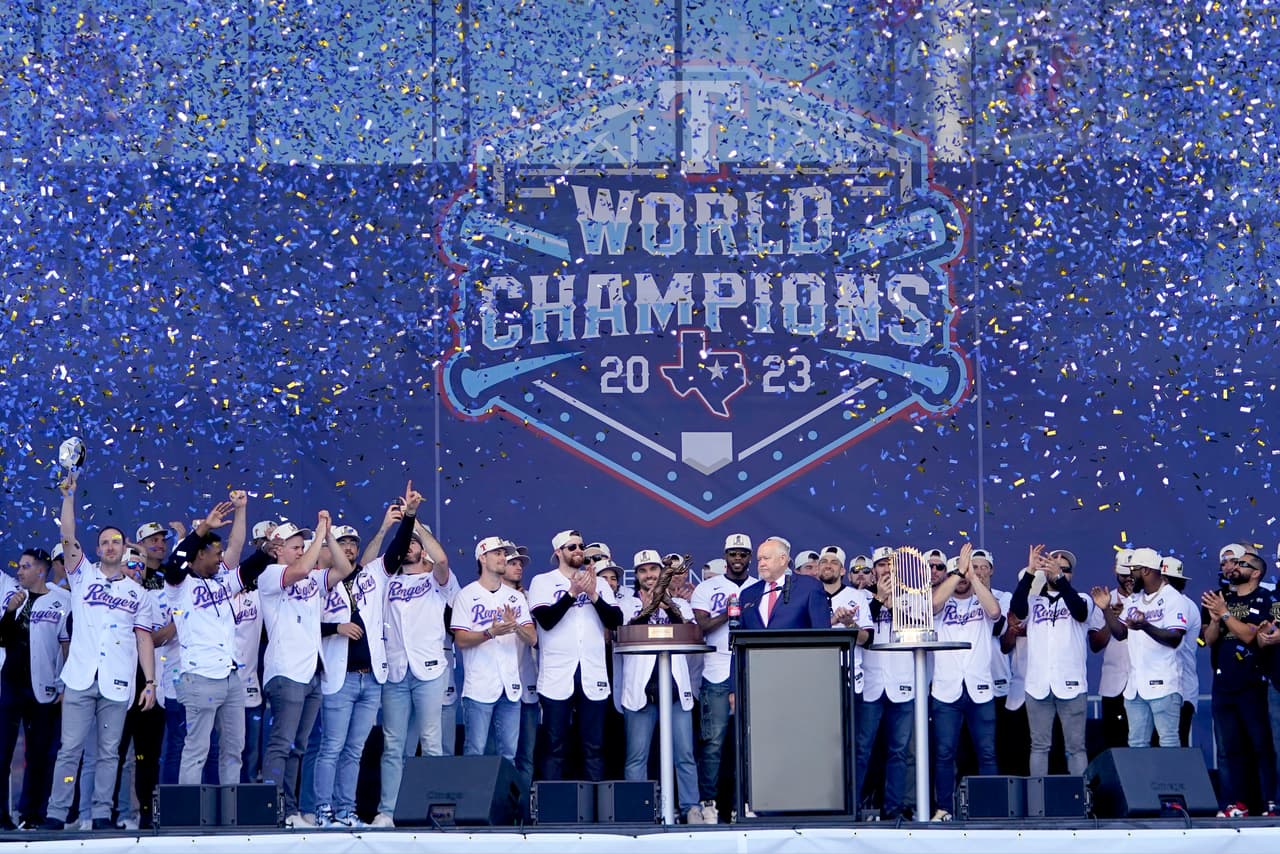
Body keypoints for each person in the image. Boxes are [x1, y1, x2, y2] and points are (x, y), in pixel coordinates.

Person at [43, 473, 158, 831]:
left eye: (116, 543)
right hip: (80, 677)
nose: (110, 547)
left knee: (110, 752)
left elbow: (144, 639)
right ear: (96, 550)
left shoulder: (138, 594)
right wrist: (69, 497)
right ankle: (57, 813)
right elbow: (68, 535)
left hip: (117, 681)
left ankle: (102, 813)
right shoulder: (82, 576)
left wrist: (150, 682)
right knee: (70, 750)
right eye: (105, 542)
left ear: (125, 550)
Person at [259, 508, 356, 828]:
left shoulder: (313, 578)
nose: (302, 551)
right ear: (278, 549)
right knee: (281, 743)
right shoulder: (270, 574)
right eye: (295, 546)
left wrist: (328, 536)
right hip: (286, 669)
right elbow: (299, 569)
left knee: (298, 747)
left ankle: (291, 809)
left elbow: (344, 568)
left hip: (312, 669)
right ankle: (274, 810)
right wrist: (317, 536)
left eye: (303, 546)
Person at [375, 485, 456, 828]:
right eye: (404, 542)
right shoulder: (386, 580)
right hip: (395, 671)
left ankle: (436, 811)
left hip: (430, 670)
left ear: (423, 550)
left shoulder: (437, 581)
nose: (408, 546)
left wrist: (415, 522)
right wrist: (388, 529)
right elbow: (364, 566)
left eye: (414, 543)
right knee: (394, 745)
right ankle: (389, 811)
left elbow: (443, 561)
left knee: (431, 742)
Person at [165, 494, 250, 786]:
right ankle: (189, 810)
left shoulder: (222, 581)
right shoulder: (178, 584)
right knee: (197, 750)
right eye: (216, 553)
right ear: (200, 554)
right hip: (199, 676)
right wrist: (202, 529)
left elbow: (240, 551)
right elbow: (176, 563)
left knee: (234, 749)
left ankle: (231, 807)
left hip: (230, 676)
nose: (221, 558)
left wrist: (242, 512)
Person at [529, 529, 623, 782]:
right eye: (572, 547)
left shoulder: (599, 583)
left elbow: (616, 621)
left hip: (592, 671)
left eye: (581, 546)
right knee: (554, 745)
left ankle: (595, 803)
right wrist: (572, 593)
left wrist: (593, 594)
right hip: (558, 673)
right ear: (558, 552)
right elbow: (546, 620)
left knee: (594, 745)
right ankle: (553, 803)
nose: (579, 551)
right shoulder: (542, 581)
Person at [617, 549, 700, 822]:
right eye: (643, 571)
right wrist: (648, 608)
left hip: (675, 690)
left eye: (654, 569)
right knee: (636, 757)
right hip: (641, 690)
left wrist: (668, 607)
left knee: (684, 754)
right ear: (636, 576)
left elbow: (691, 634)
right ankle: (637, 810)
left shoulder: (680, 604)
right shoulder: (626, 604)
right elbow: (623, 633)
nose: (649, 575)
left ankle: (691, 808)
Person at [1011, 546, 1107, 778]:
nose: (1060, 571)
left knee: (1076, 748)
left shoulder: (1082, 599)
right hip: (1037, 685)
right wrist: (1031, 571)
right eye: (1055, 567)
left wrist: (1060, 579)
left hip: (1071, 685)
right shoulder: (1033, 601)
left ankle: (1080, 798)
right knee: (1039, 746)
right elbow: (1017, 610)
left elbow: (1080, 613)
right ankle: (1038, 799)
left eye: (1065, 569)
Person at [689, 533, 758, 824]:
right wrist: (730, 612)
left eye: (743, 554)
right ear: (725, 556)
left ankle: (749, 801)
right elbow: (701, 627)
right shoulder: (708, 587)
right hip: (716, 670)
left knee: (752, 741)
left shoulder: (760, 587)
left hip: (752, 670)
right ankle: (710, 803)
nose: (737, 558)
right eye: (733, 553)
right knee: (713, 742)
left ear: (750, 557)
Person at [0, 549, 72, 829]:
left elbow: (66, 647)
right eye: (19, 566)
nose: (19, 571)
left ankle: (31, 814)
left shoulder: (61, 601)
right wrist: (9, 612)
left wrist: (63, 684)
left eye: (26, 566)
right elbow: (2, 639)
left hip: (43, 687)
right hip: (11, 685)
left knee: (39, 753)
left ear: (41, 570)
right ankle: (1, 815)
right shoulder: (14, 598)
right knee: (3, 750)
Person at [929, 543, 1001, 821]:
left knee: (987, 753)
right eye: (955, 574)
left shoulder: (982, 600)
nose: (961, 579)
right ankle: (944, 808)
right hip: (946, 690)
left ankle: (990, 809)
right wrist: (958, 573)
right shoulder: (940, 602)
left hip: (980, 688)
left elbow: (995, 612)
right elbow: (933, 604)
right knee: (944, 753)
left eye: (963, 574)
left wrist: (973, 577)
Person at [1200, 549, 1272, 816]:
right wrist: (1215, 619)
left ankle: (1269, 803)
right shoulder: (1222, 599)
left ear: (1255, 573)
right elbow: (1209, 640)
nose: (1233, 567)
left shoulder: (1265, 598)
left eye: (1241, 563)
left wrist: (1225, 614)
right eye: (1230, 563)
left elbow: (1251, 635)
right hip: (1223, 683)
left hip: (1252, 681)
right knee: (1229, 748)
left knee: (1260, 745)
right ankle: (1233, 803)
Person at [1092, 547, 1186, 748]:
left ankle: (1169, 772)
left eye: (1132, 570)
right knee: (1136, 744)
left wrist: (1145, 626)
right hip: (1135, 688)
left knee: (1168, 742)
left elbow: (1175, 638)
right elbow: (1120, 633)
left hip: (1163, 686)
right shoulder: (1134, 599)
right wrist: (1106, 609)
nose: (1129, 576)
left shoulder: (1173, 597)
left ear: (1145, 570)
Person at [452, 536, 536, 761]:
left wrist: (515, 626)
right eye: (497, 553)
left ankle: (504, 788)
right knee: (476, 752)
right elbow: (460, 639)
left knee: (508, 754)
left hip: (510, 687)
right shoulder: (466, 595)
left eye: (504, 554)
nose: (503, 558)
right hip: (479, 687)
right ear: (483, 557)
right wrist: (490, 632)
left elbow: (532, 638)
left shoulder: (516, 597)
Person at [857, 546, 917, 819]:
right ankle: (854, 807)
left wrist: (893, 605)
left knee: (899, 752)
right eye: (881, 565)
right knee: (862, 750)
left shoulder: (914, 598)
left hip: (902, 682)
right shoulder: (860, 597)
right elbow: (861, 631)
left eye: (891, 565)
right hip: (871, 683)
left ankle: (893, 810)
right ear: (873, 571)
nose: (886, 570)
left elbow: (917, 629)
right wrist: (879, 600)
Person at [737, 537, 829, 630]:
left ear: (782, 559)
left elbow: (822, 632)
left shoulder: (809, 587)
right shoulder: (748, 594)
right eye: (759, 559)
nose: (762, 564)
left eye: (766, 558)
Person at [1160, 557, 1200, 747]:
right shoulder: (1158, 603)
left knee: (1175, 751)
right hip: (1161, 690)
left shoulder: (1183, 605)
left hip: (1180, 691)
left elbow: (1171, 643)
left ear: (1164, 580)